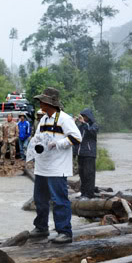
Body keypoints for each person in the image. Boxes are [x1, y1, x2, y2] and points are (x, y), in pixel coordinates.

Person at [28, 87, 82, 245]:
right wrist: (35, 146)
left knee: (59, 200)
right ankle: (41, 227)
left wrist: (57, 144)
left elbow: (76, 138)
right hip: (42, 166)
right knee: (40, 199)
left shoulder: (64, 119)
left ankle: (65, 231)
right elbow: (37, 137)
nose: (40, 103)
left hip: (57, 168)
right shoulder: (43, 120)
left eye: (41, 101)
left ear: (48, 103)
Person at [74, 108, 99, 199]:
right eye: (82, 116)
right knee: (82, 174)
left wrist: (84, 123)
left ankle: (89, 194)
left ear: (89, 117)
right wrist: (73, 122)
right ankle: (83, 193)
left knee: (89, 174)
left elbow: (92, 132)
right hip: (80, 154)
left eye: (84, 116)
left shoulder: (94, 126)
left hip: (89, 154)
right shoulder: (80, 126)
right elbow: (74, 135)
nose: (83, 118)